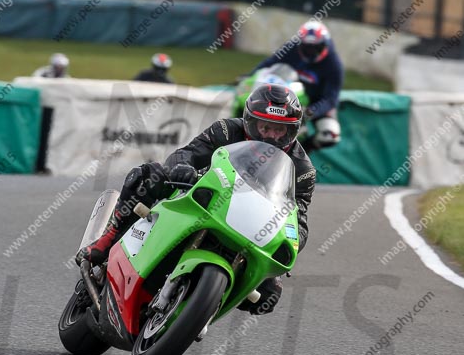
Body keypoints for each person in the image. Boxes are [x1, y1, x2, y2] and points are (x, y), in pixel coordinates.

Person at [76, 84, 316, 316]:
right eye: (265, 128)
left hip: (251, 226)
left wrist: (291, 241)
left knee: (268, 295)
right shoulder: (225, 130)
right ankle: (109, 239)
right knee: (148, 175)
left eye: (279, 130)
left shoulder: (303, 170)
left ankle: (202, 308)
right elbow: (187, 152)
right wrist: (182, 166)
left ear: (292, 131)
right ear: (250, 122)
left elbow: (298, 218)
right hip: (204, 196)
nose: (271, 136)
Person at [251, 21, 343, 153]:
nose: (311, 52)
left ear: (325, 45)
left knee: (330, 135)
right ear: (300, 44)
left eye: (316, 48)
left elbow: (331, 99)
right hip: (290, 96)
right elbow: (270, 62)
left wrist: (312, 111)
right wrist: (250, 75)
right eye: (307, 48)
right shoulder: (291, 48)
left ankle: (302, 152)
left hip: (316, 103)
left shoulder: (334, 65)